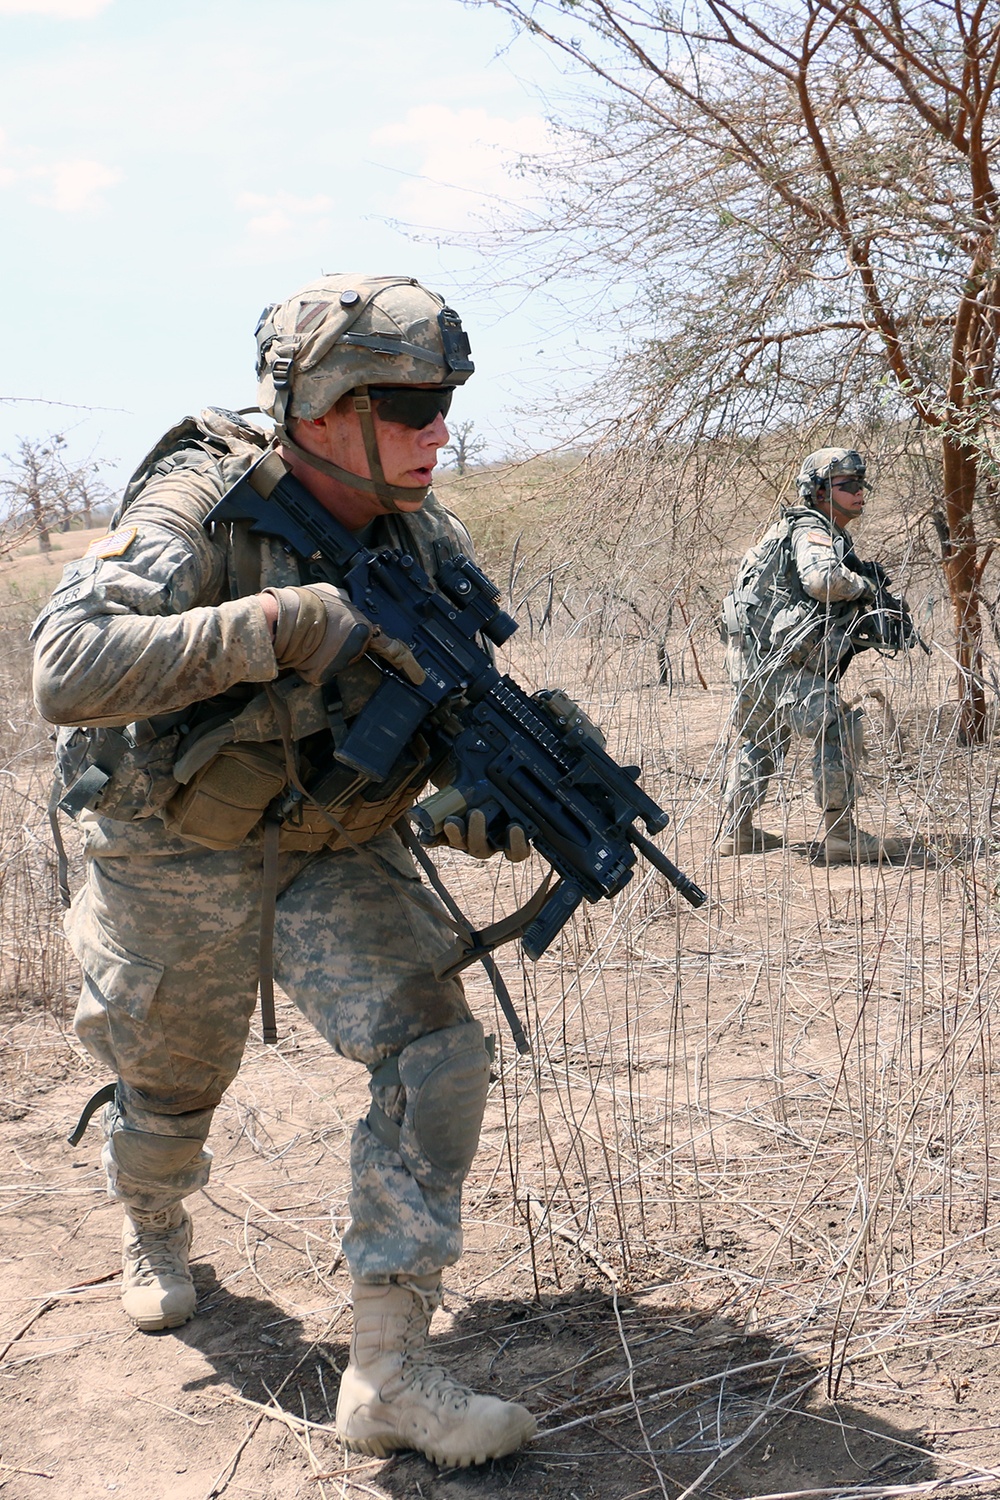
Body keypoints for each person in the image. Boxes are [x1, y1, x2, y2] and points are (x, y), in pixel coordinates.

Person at [31, 274, 537, 1468]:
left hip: (336, 845)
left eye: (445, 402)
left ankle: (389, 1376)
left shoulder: (421, 536)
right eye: (406, 404)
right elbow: (68, 666)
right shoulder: (198, 506)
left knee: (438, 1053)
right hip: (176, 851)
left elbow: (445, 710)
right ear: (316, 407)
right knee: (168, 1092)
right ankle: (153, 1219)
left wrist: (484, 799)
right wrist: (276, 624)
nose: (436, 431)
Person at [718, 446, 915, 864]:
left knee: (759, 742)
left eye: (861, 484)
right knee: (836, 726)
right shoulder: (813, 532)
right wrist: (865, 588)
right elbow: (821, 579)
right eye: (848, 485)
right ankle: (841, 836)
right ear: (820, 491)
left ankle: (736, 833)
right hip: (785, 665)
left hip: (752, 663)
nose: (859, 492)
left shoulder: (779, 533)